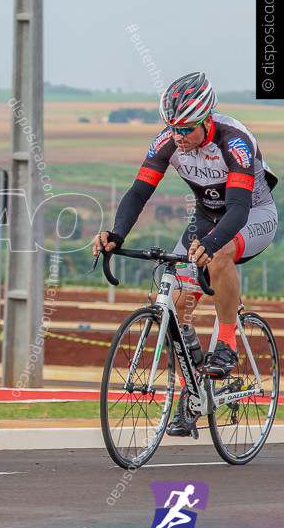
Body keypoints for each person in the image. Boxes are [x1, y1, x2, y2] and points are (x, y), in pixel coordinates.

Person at [93, 72, 278, 436]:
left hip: (254, 215)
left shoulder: (234, 141)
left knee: (221, 253)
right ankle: (193, 394)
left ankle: (226, 344)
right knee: (176, 303)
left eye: (186, 128)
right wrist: (116, 234)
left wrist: (209, 245)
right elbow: (138, 192)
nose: (178, 135)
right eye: (173, 127)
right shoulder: (167, 141)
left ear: (207, 118)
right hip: (205, 219)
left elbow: (238, 208)